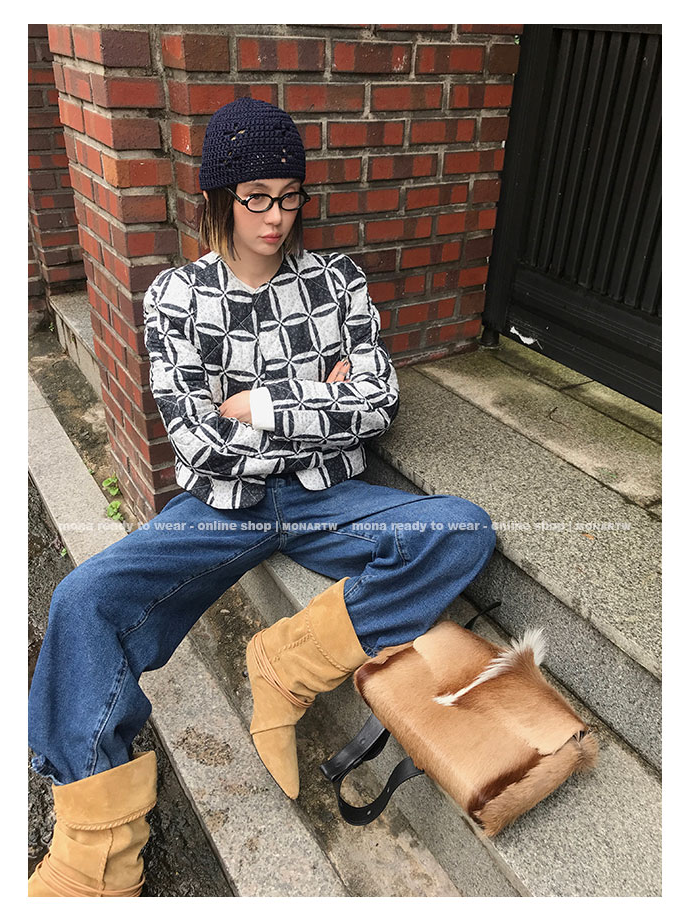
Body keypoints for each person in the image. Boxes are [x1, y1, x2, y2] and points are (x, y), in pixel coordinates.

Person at [27, 97, 497, 896]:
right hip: (218, 507)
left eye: (289, 196)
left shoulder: (336, 281)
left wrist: (262, 404)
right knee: (82, 600)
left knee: (460, 528)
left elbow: (378, 402)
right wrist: (323, 399)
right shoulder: (177, 297)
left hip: (324, 501)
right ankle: (96, 853)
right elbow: (200, 445)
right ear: (220, 198)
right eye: (256, 198)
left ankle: (284, 664)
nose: (276, 217)